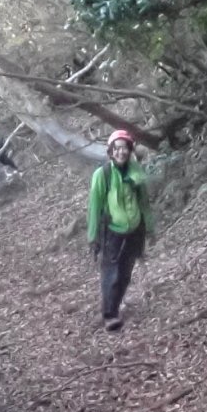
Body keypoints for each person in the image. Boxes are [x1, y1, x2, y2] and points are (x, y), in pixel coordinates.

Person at [85, 129, 152, 332]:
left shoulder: (136, 173)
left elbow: (144, 203)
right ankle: (110, 315)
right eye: (117, 148)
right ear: (111, 151)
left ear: (130, 151)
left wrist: (150, 227)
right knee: (111, 273)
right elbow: (94, 207)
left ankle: (117, 303)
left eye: (125, 148)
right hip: (112, 232)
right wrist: (93, 237)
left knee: (125, 273)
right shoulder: (102, 174)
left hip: (135, 230)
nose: (121, 152)